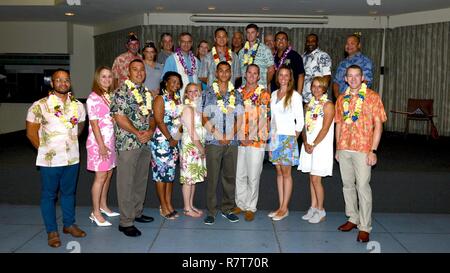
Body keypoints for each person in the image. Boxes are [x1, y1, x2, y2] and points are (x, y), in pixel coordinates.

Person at [26, 69, 87, 248]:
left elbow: (80, 126)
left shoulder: (78, 105)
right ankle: (52, 231)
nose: (63, 83)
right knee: (49, 196)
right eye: (58, 80)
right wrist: (45, 151)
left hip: (72, 159)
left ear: (70, 83)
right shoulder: (40, 105)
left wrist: (71, 141)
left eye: (66, 80)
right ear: (52, 83)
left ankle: (69, 225)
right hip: (50, 161)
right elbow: (30, 133)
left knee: (69, 193)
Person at [335, 65, 386, 243]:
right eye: (350, 76)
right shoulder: (341, 98)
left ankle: (365, 227)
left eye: (357, 75)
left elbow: (378, 125)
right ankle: (352, 218)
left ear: (363, 77)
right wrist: (337, 147)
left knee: (363, 187)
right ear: (346, 79)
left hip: (364, 149)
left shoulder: (372, 97)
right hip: (344, 148)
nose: (354, 79)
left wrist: (373, 150)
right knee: (347, 185)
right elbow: (339, 123)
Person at [110, 59, 155, 237]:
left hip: (145, 141)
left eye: (141, 70)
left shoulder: (147, 93)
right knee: (126, 182)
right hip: (128, 142)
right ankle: (125, 221)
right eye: (135, 70)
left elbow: (151, 116)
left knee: (140, 180)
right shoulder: (121, 92)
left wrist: (150, 130)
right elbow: (119, 117)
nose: (139, 73)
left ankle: (137, 212)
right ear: (129, 73)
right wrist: (137, 132)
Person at [201, 61, 244, 225]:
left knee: (229, 177)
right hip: (213, 140)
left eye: (227, 71)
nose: (224, 73)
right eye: (221, 71)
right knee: (212, 178)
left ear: (230, 73)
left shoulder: (237, 94)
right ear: (216, 73)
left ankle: (227, 209)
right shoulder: (208, 93)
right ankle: (211, 212)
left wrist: (230, 135)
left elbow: (240, 117)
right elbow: (203, 117)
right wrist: (218, 134)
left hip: (232, 142)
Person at [232, 64, 270, 221]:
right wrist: (240, 136)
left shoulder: (263, 94)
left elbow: (264, 117)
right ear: (245, 74)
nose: (252, 75)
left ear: (259, 77)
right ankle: (240, 204)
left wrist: (251, 136)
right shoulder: (237, 93)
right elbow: (233, 116)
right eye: (250, 72)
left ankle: (251, 207)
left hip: (256, 139)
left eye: (256, 73)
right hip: (240, 139)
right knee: (240, 174)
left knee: (253, 175)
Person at [268, 65, 304, 221]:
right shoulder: (274, 94)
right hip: (274, 138)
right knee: (278, 173)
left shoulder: (295, 96)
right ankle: (280, 206)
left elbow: (300, 122)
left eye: (286, 75)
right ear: (277, 77)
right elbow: (273, 118)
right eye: (280, 75)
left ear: (290, 77)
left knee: (286, 174)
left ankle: (285, 208)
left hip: (287, 138)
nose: (283, 77)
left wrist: (291, 140)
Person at [298, 76, 334, 224]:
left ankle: (321, 210)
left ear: (325, 88)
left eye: (320, 86)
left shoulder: (328, 105)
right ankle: (313, 207)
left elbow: (325, 128)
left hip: (321, 146)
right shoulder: (308, 105)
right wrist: (306, 141)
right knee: (311, 178)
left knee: (316, 179)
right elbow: (304, 126)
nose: (316, 89)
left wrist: (313, 144)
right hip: (309, 145)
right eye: (314, 86)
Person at [86, 66, 118, 227]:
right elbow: (94, 124)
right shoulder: (93, 98)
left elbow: (109, 117)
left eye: (109, 76)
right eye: (103, 77)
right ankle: (95, 212)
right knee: (100, 177)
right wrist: (102, 146)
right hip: (98, 143)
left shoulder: (109, 95)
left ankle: (103, 206)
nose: (107, 79)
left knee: (108, 174)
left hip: (110, 141)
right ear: (97, 78)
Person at [151, 71, 183, 220]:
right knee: (161, 175)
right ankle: (163, 206)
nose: (175, 85)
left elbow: (182, 120)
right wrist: (170, 138)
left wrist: (176, 138)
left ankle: (169, 204)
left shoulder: (178, 100)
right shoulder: (159, 99)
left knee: (169, 176)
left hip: (174, 141)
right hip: (161, 142)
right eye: (173, 81)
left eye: (178, 82)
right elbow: (159, 120)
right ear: (165, 82)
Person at [179, 83, 207, 218]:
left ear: (200, 92)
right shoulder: (188, 109)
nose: (193, 94)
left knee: (193, 178)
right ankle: (186, 208)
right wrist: (201, 148)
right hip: (190, 147)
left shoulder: (198, 108)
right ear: (186, 94)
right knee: (188, 179)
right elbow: (191, 131)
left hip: (197, 146)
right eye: (190, 92)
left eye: (196, 91)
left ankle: (190, 204)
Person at [333, 34, 373, 99]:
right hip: (342, 100)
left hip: (358, 100)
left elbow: (366, 81)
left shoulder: (365, 61)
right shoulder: (342, 63)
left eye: (352, 43)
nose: (349, 46)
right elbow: (336, 82)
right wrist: (338, 98)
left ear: (359, 45)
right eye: (347, 43)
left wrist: (355, 98)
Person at [162, 32, 200, 99]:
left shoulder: (196, 61)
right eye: (183, 42)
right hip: (178, 98)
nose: (186, 44)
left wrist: (200, 99)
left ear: (192, 43)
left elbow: (199, 82)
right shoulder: (172, 59)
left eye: (188, 42)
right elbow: (165, 81)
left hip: (195, 99)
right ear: (179, 43)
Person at [238, 24, 275, 91]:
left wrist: (265, 84)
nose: (250, 35)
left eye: (253, 32)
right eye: (248, 32)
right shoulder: (241, 52)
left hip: (260, 89)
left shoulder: (265, 49)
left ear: (257, 34)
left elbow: (271, 70)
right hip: (244, 89)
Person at [302, 33, 332, 104]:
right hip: (305, 99)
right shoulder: (303, 56)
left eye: (313, 41)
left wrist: (320, 95)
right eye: (308, 41)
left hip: (318, 98)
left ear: (317, 43)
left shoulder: (322, 56)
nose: (310, 43)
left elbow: (327, 77)